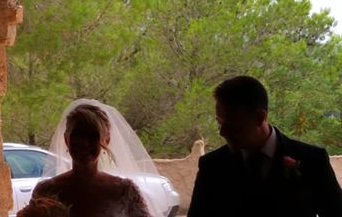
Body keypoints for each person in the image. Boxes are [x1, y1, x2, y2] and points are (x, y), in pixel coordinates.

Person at [188, 75, 342, 217]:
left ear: (260, 117)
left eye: (233, 125)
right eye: (219, 123)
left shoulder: (312, 160)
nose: (222, 132)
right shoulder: (212, 167)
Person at [32, 99, 161, 217]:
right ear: (66, 139)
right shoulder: (46, 191)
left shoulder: (124, 191)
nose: (84, 143)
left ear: (106, 140)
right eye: (77, 135)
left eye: (93, 136)